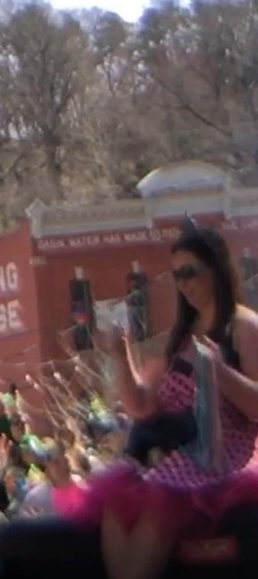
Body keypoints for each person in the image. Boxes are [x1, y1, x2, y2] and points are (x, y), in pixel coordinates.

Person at [65, 222, 258, 579]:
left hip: (220, 453)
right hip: (172, 450)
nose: (184, 284)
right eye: (177, 276)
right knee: (114, 501)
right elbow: (142, 406)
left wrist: (219, 371)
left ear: (216, 268)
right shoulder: (182, 335)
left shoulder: (244, 327)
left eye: (191, 273)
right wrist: (122, 359)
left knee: (159, 497)